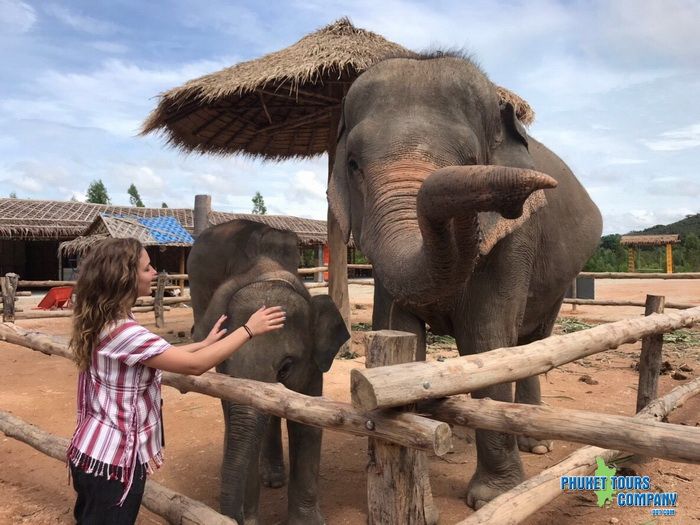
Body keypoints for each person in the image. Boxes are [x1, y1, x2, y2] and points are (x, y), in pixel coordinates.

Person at [66, 238, 285, 524]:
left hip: (92, 452)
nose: (154, 272)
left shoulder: (106, 321)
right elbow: (194, 367)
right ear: (125, 278)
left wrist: (205, 343)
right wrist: (248, 330)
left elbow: (160, 354)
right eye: (146, 268)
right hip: (113, 463)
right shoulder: (125, 331)